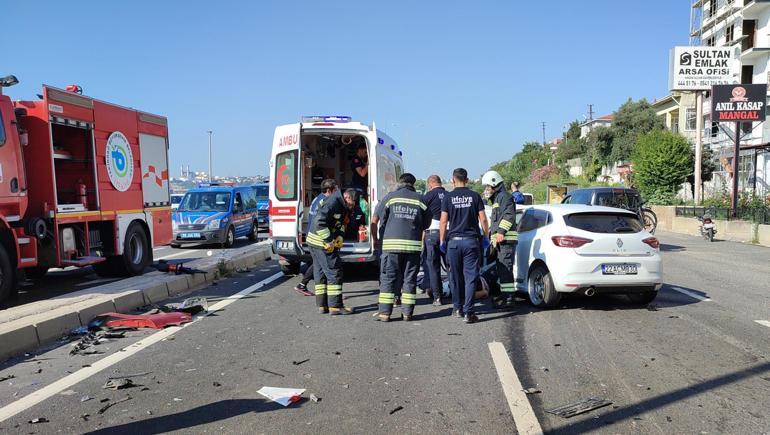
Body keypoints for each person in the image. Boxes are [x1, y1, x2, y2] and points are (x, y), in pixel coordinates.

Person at [372, 173, 431, 322]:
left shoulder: (390, 197)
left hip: (391, 247)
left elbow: (378, 219)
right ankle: (407, 314)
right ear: (413, 184)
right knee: (409, 280)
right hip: (412, 247)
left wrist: (377, 239)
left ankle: (385, 313)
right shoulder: (420, 199)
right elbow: (427, 223)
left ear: (400, 182)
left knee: (388, 279)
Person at [439, 168, 489, 324]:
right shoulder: (475, 196)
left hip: (453, 242)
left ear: (453, 180)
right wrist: (486, 236)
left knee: (454, 277)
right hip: (471, 242)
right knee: (470, 277)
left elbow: (443, 221)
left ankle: (457, 308)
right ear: (466, 180)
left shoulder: (448, 197)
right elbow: (484, 219)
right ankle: (469, 312)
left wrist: (442, 240)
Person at [306, 179, 355, 315]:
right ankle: (336, 306)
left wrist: (339, 236)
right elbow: (320, 222)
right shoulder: (333, 202)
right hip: (320, 243)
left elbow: (337, 222)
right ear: (347, 197)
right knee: (335, 272)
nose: (353, 206)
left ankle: (322, 305)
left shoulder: (339, 203)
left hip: (313, 241)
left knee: (320, 272)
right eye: (352, 203)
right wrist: (329, 241)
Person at [483, 170, 517, 308]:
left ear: (494, 184)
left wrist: (501, 232)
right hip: (500, 241)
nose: (486, 190)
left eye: (487, 187)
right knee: (502, 270)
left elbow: (509, 215)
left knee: (505, 271)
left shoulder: (505, 197)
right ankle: (504, 296)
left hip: (506, 241)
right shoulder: (498, 198)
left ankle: (509, 299)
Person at [294, 181, 335, 296]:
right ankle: (331, 293)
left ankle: (302, 285)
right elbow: (321, 222)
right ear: (329, 190)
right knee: (325, 265)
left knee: (317, 264)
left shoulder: (317, 199)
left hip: (311, 236)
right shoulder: (325, 201)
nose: (336, 192)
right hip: (318, 237)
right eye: (335, 189)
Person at [422, 175, 447, 306]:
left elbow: (421, 215)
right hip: (447, 233)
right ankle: (457, 295)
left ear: (430, 184)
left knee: (433, 267)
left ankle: (437, 297)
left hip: (432, 233)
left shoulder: (428, 196)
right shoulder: (448, 195)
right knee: (451, 267)